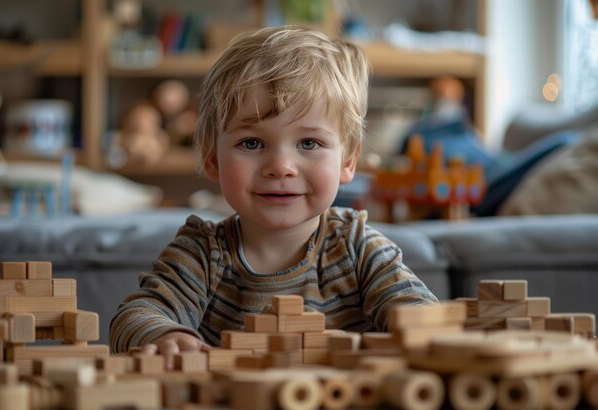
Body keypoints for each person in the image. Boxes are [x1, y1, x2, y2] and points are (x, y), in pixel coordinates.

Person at [109, 26, 438, 369]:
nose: (281, 167)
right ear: (211, 159)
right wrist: (164, 337)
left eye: (309, 144)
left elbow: (419, 310)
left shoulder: (358, 248)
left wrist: (421, 332)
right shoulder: (202, 253)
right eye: (252, 143)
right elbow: (135, 316)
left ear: (348, 161)